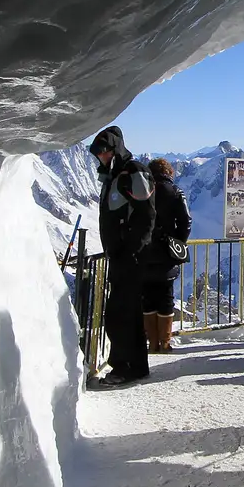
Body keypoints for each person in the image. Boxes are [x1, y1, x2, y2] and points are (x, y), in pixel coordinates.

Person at [89, 125, 155, 387]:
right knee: (128, 312)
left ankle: (123, 367)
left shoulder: (132, 172)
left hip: (129, 257)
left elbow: (146, 215)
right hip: (123, 255)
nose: (102, 157)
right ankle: (136, 366)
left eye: (105, 151)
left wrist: (132, 249)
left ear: (115, 149)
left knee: (119, 313)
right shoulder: (116, 175)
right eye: (98, 153)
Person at [138, 157, 192, 354]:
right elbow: (186, 222)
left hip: (143, 252)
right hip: (167, 254)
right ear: (169, 172)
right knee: (166, 297)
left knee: (148, 298)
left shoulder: (142, 191)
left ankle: (151, 343)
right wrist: (177, 243)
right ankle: (165, 342)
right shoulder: (176, 192)